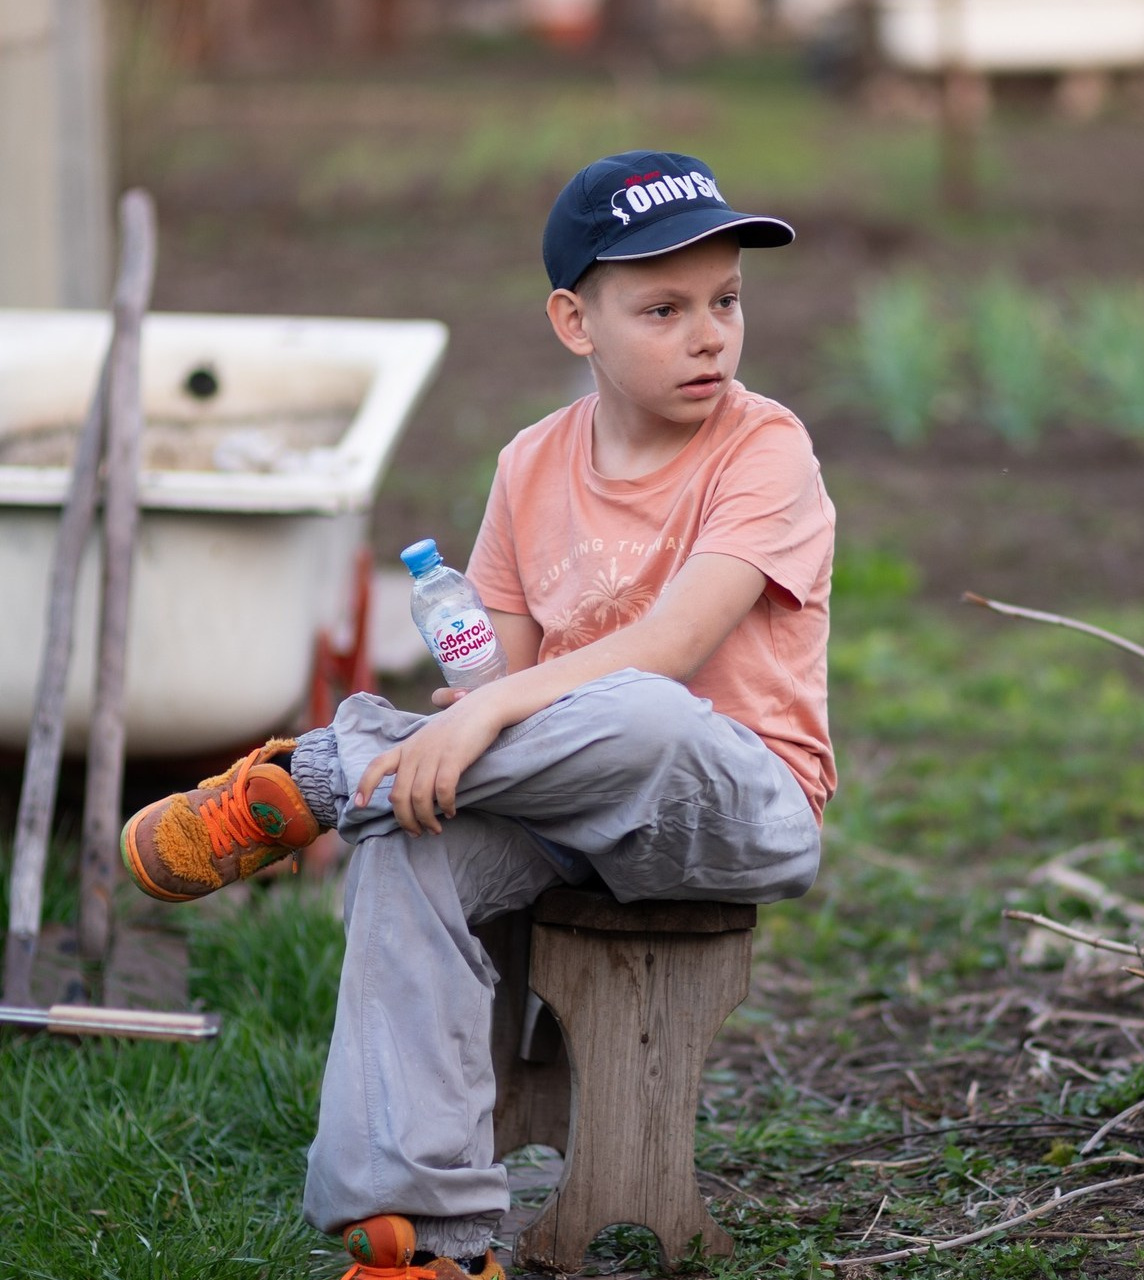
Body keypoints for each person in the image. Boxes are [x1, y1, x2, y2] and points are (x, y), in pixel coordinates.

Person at [120, 149, 837, 1280]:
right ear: (574, 321)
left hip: (735, 801)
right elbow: (498, 676)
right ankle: (423, 1241)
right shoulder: (530, 463)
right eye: (664, 309)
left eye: (725, 301)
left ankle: (318, 777)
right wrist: (469, 714)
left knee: (643, 706)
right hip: (571, 810)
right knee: (411, 843)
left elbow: (670, 647)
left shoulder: (765, 447)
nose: (709, 336)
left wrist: (486, 709)